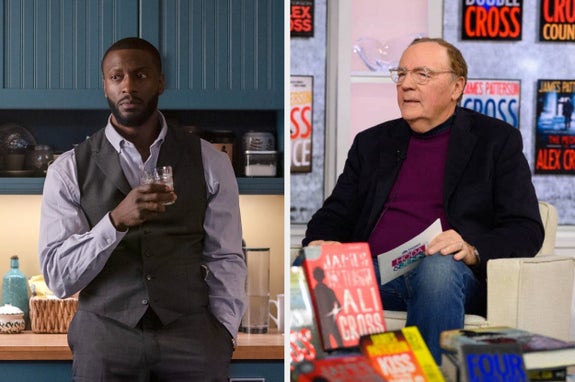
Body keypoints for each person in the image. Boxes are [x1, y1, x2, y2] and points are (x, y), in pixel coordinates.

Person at [302, 37, 544, 363]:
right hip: (376, 274)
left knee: (438, 269)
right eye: (400, 74)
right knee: (313, 265)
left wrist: (472, 249)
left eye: (422, 75)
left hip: (449, 277)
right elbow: (334, 213)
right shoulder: (371, 143)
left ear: (457, 86)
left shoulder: (495, 141)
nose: (406, 85)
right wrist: (324, 242)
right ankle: (352, 373)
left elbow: (526, 228)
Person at [38, 37, 246, 381]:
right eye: (116, 77)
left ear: (161, 82)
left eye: (141, 75)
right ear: (104, 85)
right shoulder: (67, 168)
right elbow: (59, 279)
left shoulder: (210, 161)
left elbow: (226, 256)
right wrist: (115, 221)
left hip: (193, 339)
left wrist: (224, 332)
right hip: (104, 341)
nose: (128, 86)